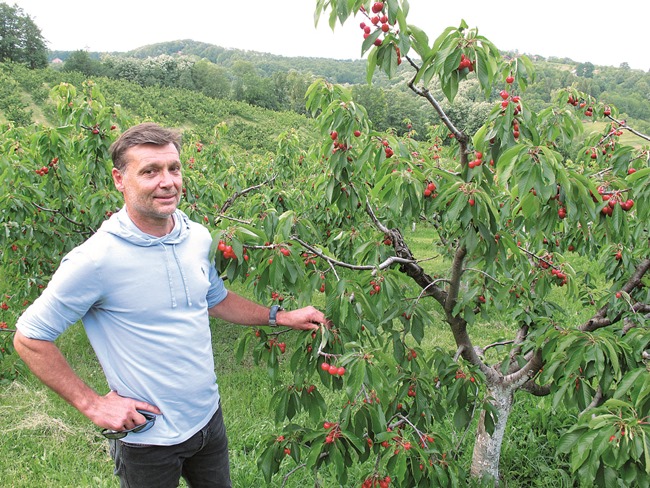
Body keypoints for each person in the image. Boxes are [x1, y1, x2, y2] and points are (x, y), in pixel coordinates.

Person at [13, 122, 327, 488]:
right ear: (119, 179)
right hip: (148, 440)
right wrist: (93, 404)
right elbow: (30, 337)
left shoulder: (197, 236)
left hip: (209, 420)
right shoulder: (96, 260)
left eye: (173, 168)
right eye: (150, 171)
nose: (168, 181)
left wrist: (280, 316)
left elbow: (216, 299)